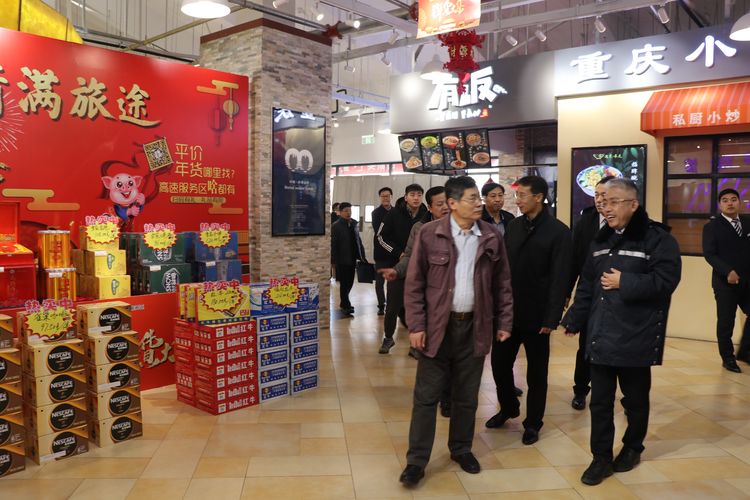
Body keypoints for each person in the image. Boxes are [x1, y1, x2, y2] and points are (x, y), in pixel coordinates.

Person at [562, 179, 681, 486]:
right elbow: (588, 284)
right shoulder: (600, 240)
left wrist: (624, 282)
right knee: (600, 402)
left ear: (633, 204)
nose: (606, 207)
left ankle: (632, 447)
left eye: (614, 201)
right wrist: (574, 318)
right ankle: (600, 458)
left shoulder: (657, 239)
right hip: (601, 333)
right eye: (604, 202)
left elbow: (666, 281)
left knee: (635, 400)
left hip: (637, 334)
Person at [399, 176, 513, 487]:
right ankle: (416, 461)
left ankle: (461, 449)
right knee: (426, 398)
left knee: (466, 396)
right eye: (473, 198)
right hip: (437, 327)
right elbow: (414, 284)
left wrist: (504, 322)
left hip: (475, 326)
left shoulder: (490, 235)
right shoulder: (429, 233)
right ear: (452, 203)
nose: (479, 203)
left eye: (479, 198)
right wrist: (416, 325)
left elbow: (503, 283)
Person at [486, 175, 571, 447]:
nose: (517, 200)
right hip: (509, 313)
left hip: (538, 315)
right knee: (499, 365)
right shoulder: (514, 226)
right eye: (517, 195)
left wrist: (552, 317)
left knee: (536, 374)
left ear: (539, 197)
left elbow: (561, 278)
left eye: (522, 195)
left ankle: (533, 423)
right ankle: (508, 407)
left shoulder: (559, 231)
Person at [380, 186, 451, 410]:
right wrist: (397, 270)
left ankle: (448, 397)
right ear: (430, 207)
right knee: (433, 351)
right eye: (439, 204)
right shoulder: (420, 228)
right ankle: (434, 397)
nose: (445, 207)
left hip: (453, 301)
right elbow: (409, 255)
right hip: (428, 292)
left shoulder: (464, 227)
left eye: (448, 202)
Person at [568, 176, 615, 410]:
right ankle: (580, 390)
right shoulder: (585, 220)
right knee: (586, 343)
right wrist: (567, 293)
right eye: (596, 195)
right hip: (590, 293)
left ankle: (614, 394)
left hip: (616, 293)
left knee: (615, 345)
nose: (599, 200)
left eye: (604, 195)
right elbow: (574, 259)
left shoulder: (629, 223)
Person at [702, 188, 750, 373]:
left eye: (733, 199)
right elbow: (709, 254)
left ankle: (745, 352)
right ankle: (728, 358)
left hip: (748, 281)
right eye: (725, 200)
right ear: (719, 204)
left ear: (739, 202)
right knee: (726, 322)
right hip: (725, 283)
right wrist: (727, 271)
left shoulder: (748, 222)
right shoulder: (711, 227)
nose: (730, 203)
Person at [377, 184, 427, 354]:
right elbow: (381, 237)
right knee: (393, 306)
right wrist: (398, 253)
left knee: (419, 307)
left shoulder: (426, 215)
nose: (416, 198)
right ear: (406, 197)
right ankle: (388, 338)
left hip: (420, 269)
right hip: (397, 267)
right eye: (412, 194)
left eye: (419, 194)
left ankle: (415, 345)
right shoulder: (394, 213)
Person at [331, 202, 365, 316]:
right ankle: (345, 304)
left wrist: (362, 255)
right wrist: (333, 261)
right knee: (344, 283)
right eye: (346, 211)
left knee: (350, 282)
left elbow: (358, 241)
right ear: (340, 212)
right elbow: (333, 244)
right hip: (342, 259)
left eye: (350, 211)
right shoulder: (336, 226)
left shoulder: (353, 224)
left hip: (352, 257)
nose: (348, 213)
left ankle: (344, 303)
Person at [372, 187, 393, 316]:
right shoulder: (376, 213)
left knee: (393, 282)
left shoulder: (396, 211)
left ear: (391, 197)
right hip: (380, 253)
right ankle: (381, 305)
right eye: (383, 196)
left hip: (394, 253)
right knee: (379, 282)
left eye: (388, 195)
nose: (386, 198)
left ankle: (391, 304)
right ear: (380, 198)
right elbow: (379, 231)